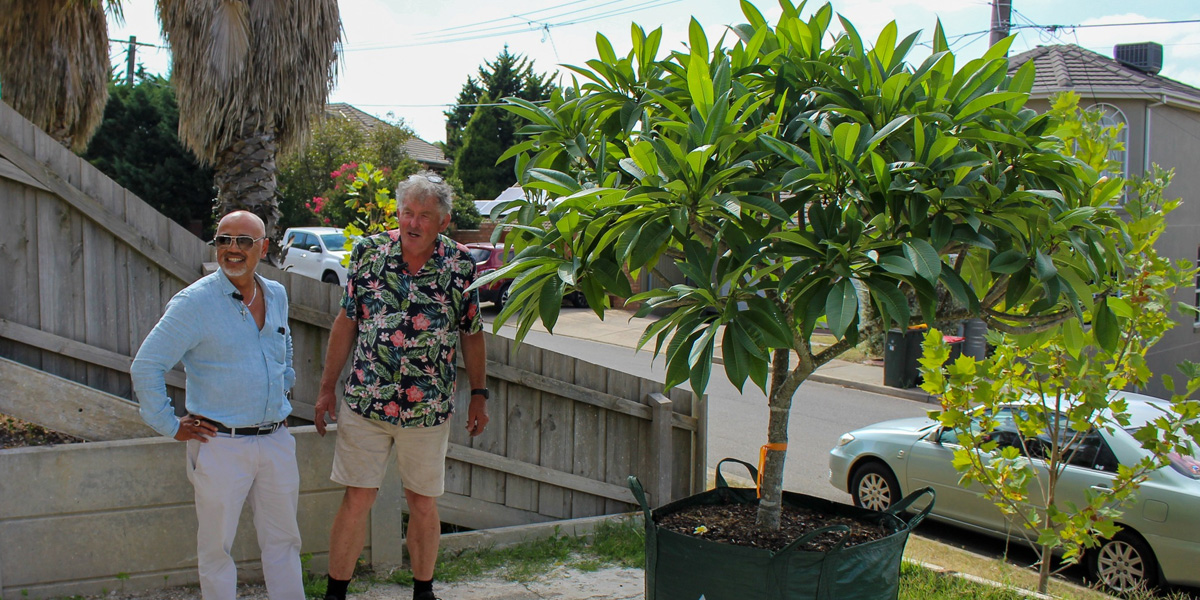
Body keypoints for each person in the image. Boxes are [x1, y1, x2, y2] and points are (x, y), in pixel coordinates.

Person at [313, 172, 488, 600]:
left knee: (424, 501)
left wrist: (479, 395)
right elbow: (346, 321)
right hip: (366, 402)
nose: (413, 223)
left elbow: (471, 332)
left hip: (427, 407)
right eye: (407, 212)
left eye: (424, 215)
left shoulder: (461, 263)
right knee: (357, 498)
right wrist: (325, 388)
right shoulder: (370, 252)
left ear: (443, 222)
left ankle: (423, 590)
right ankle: (336, 592)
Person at [131, 211, 304, 600]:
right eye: (224, 240)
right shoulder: (194, 303)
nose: (232, 249)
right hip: (220, 445)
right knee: (216, 550)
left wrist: (283, 392)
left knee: (284, 542)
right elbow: (146, 366)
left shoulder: (276, 294)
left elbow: (284, 346)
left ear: (264, 247)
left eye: (244, 241)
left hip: (275, 441)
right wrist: (169, 424)